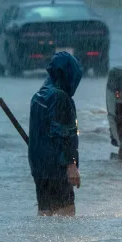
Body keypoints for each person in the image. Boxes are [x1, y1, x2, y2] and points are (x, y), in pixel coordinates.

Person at [28, 52, 82, 216]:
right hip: (57, 168)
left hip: (39, 167)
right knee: (66, 217)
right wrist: (71, 166)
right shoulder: (60, 98)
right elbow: (62, 134)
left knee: (45, 214)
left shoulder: (38, 96)